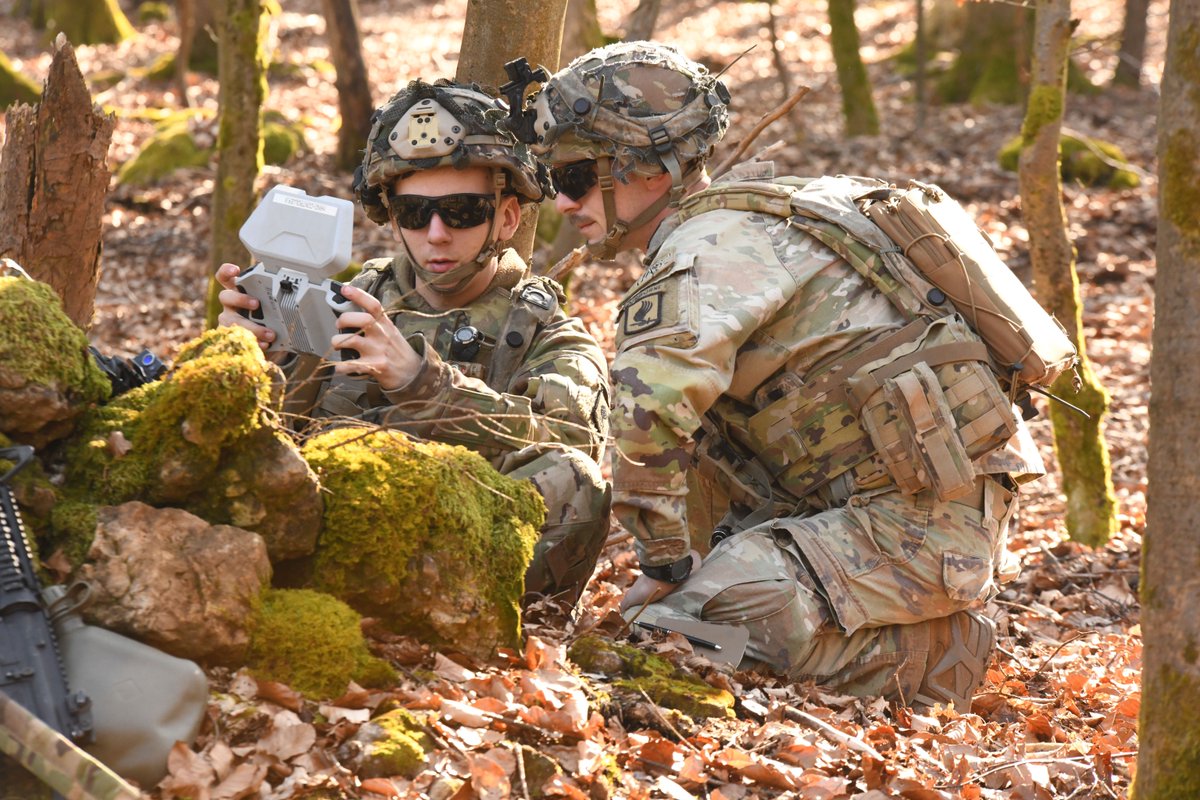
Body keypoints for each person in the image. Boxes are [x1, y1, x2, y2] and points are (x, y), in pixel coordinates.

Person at [524, 41, 1046, 708]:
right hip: (901, 510)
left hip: (920, 530)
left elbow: (646, 412)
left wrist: (664, 564)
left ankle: (935, 655)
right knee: (668, 622)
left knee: (689, 626)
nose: (560, 203)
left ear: (646, 167)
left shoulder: (704, 249)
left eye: (570, 177)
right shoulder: (763, 212)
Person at [216, 79, 612, 605]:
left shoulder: (548, 333)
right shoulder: (344, 304)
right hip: (328, 535)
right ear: (394, 220)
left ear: (507, 218)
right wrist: (250, 361)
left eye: (463, 211)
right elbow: (277, 440)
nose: (438, 234)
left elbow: (571, 441)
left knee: (576, 480)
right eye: (414, 214)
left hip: (458, 569)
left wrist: (422, 384)